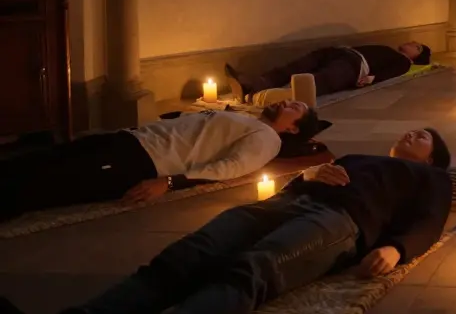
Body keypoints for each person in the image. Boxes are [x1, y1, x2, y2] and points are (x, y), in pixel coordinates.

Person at [59, 128, 453, 314]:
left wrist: (395, 248)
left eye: (424, 138)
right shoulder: (355, 158)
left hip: (337, 220)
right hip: (287, 201)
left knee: (254, 267)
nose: (413, 132)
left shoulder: (431, 178)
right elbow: (305, 177)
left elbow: (431, 220)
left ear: (431, 159)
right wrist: (312, 176)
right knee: (188, 254)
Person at [0, 102, 319, 222]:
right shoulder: (248, 118)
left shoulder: (268, 140)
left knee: (44, 183)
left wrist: (168, 182)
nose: (286, 101)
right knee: (41, 159)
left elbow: (230, 168)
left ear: (292, 128)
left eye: (295, 107)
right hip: (130, 139)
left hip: (142, 161)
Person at [225, 41, 430, 103]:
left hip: (353, 66)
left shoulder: (403, 62)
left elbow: (393, 72)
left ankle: (275, 99)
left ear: (416, 57)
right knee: (295, 67)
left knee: (318, 81)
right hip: (340, 52)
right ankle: (253, 85)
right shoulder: (388, 49)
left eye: (417, 47)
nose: (412, 43)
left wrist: (371, 79)